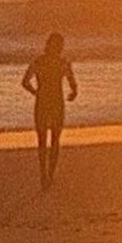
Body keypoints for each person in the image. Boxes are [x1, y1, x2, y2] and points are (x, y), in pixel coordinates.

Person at [21, 32, 77, 189]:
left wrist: (35, 92)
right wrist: (73, 93)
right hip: (56, 103)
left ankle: (44, 174)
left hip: (42, 102)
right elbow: (73, 84)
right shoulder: (63, 63)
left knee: (42, 140)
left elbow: (25, 82)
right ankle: (49, 174)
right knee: (54, 140)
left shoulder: (38, 62)